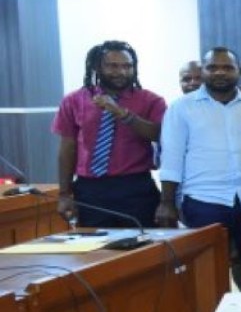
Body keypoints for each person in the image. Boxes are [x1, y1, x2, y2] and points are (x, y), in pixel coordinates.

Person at [157, 47, 241, 282]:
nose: (220, 73)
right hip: (205, 200)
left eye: (227, 67)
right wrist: (166, 203)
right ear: (203, 70)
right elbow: (171, 158)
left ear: (239, 71)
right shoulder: (181, 107)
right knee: (207, 272)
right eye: (212, 67)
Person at [53, 40, 166, 228]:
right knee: (96, 250)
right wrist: (64, 194)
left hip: (135, 187)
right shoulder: (73, 100)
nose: (121, 72)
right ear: (98, 67)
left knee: (143, 249)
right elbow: (67, 148)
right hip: (90, 189)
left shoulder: (151, 100)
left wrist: (122, 113)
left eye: (127, 66)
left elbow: (159, 134)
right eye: (112, 66)